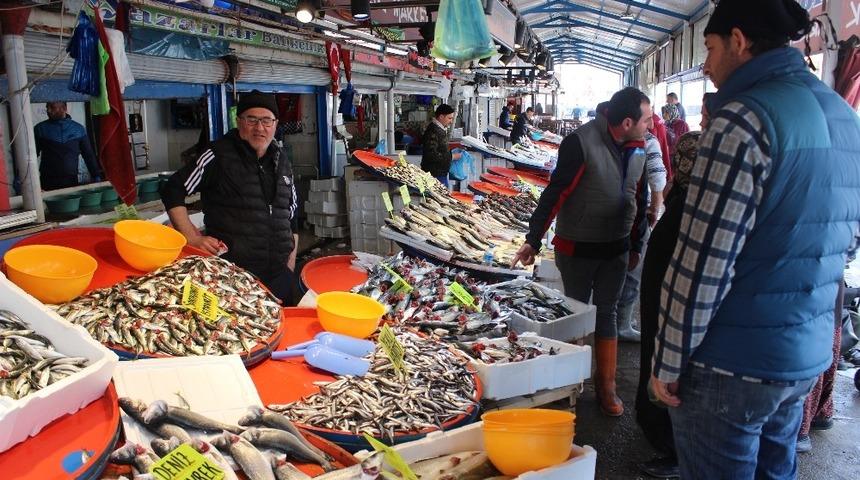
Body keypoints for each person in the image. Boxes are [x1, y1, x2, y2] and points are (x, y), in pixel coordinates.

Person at [649, 0, 860, 478]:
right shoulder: (843, 115)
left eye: (709, 48)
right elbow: (844, 245)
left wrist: (668, 359)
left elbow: (703, 262)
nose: (706, 66)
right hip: (802, 357)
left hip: (731, 363)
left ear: (739, 41)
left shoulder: (743, 119)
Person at [512, 87, 650, 417]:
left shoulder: (639, 148)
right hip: (578, 249)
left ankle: (606, 385)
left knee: (607, 313)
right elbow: (556, 192)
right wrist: (534, 239)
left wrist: (636, 243)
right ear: (627, 122)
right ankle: (570, 382)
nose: (651, 125)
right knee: (575, 312)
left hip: (616, 250)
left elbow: (639, 198)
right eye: (646, 119)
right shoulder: (581, 142)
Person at [635, 92, 714, 480]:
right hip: (665, 305)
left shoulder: (694, 208)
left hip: (673, 312)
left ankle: (673, 450)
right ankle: (668, 442)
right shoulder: (689, 200)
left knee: (670, 377)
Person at [161, 90, 300, 304]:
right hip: (233, 278)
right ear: (239, 121)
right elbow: (173, 189)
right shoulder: (218, 155)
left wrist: (289, 265)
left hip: (280, 277)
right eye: (251, 120)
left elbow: (292, 215)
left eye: (266, 120)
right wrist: (192, 238)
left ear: (275, 124)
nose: (259, 128)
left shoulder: (281, 160)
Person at [615, 112, 668, 343]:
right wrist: (655, 210)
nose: (651, 123)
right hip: (637, 215)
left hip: (613, 216)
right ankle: (622, 324)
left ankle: (616, 318)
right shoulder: (648, 142)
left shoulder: (615, 139)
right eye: (647, 118)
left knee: (616, 270)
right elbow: (658, 180)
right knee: (633, 271)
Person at [33, 101, 102, 190]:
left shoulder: (78, 129)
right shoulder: (40, 129)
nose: (48, 110)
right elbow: (31, 155)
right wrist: (22, 176)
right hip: (47, 180)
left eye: (52, 107)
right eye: (47, 107)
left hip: (71, 180)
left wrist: (96, 175)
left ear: (64, 108)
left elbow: (88, 155)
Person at [421, 104, 460, 188]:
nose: (451, 121)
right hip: (434, 174)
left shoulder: (439, 129)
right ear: (441, 117)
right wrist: (451, 156)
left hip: (440, 173)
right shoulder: (433, 130)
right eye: (449, 118)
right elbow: (431, 154)